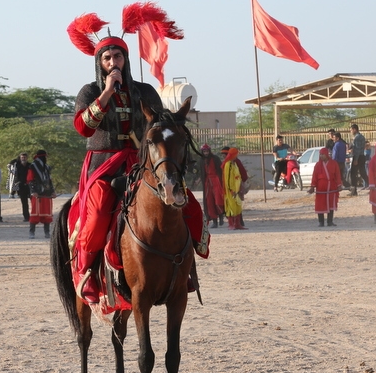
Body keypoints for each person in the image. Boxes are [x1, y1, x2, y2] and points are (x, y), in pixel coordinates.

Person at [70, 30, 207, 303]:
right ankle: (86, 273)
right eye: (107, 58)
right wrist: (107, 93)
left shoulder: (144, 91)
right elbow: (83, 128)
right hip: (104, 163)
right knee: (97, 214)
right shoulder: (90, 91)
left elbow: (157, 124)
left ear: (126, 59)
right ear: (100, 63)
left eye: (118, 56)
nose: (113, 62)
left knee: (185, 202)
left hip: (141, 160)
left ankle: (186, 269)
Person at [308, 147, 342, 227]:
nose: (321, 156)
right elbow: (314, 177)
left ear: (326, 154)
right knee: (320, 204)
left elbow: (337, 175)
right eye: (320, 154)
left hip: (331, 187)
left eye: (323, 154)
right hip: (321, 188)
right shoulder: (317, 165)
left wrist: (339, 185)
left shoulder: (334, 164)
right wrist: (312, 187)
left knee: (331, 204)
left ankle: (330, 221)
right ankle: (321, 222)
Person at [26, 150, 55, 239]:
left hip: (47, 193)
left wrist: (53, 191)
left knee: (47, 213)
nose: (45, 158)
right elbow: (30, 180)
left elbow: (49, 180)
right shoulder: (33, 167)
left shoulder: (46, 167)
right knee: (35, 213)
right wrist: (33, 191)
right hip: (37, 194)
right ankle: (32, 232)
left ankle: (47, 232)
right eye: (44, 157)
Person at [195, 144, 224, 228]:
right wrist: (198, 180)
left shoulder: (215, 159)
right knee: (209, 202)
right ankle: (215, 221)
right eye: (204, 151)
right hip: (207, 183)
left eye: (207, 151)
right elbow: (202, 173)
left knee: (218, 200)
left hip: (216, 181)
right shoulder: (201, 161)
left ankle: (221, 216)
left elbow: (221, 169)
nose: (206, 153)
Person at [220, 146, 250, 227]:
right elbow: (228, 178)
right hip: (232, 189)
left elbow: (241, 173)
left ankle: (238, 223)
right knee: (232, 205)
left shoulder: (234, 162)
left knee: (237, 205)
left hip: (237, 187)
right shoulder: (228, 164)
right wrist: (231, 189)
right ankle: (233, 224)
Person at [7, 152, 31, 221]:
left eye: (25, 157)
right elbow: (9, 165)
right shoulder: (17, 166)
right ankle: (26, 217)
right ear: (20, 158)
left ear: (27, 158)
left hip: (29, 186)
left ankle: (34, 215)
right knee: (24, 202)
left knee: (33, 201)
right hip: (21, 186)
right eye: (22, 157)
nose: (23, 159)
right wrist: (16, 160)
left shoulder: (30, 165)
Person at [348, 124, 370, 196]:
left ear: (355, 129)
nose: (350, 131)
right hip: (362, 156)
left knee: (353, 173)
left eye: (351, 129)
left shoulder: (357, 138)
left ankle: (354, 191)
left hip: (358, 157)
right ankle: (372, 185)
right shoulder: (362, 137)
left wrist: (356, 159)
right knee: (362, 173)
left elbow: (357, 149)